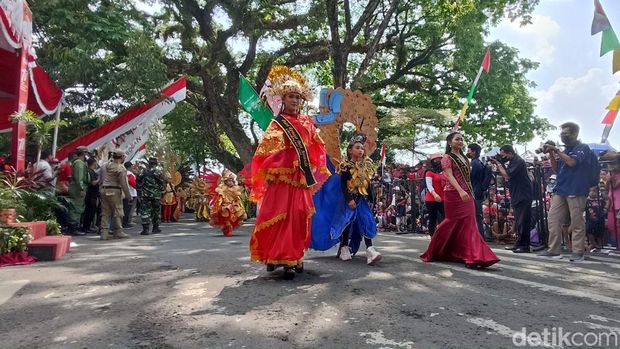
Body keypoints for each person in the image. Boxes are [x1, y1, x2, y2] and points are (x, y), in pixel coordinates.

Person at [249, 76, 329, 279]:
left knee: (299, 216)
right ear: (283, 99)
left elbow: (317, 147)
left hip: (300, 179)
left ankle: (295, 256)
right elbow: (266, 150)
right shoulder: (277, 123)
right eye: (291, 96)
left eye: (297, 97)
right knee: (276, 216)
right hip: (281, 179)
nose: (294, 100)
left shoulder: (306, 122)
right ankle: (276, 256)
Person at [420, 132, 500, 268]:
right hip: (453, 193)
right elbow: (449, 176)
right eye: (457, 139)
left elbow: (467, 178)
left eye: (462, 139)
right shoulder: (447, 157)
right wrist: (460, 190)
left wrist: (467, 191)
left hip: (467, 193)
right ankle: (437, 249)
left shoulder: (464, 158)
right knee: (451, 222)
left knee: (469, 222)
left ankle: (473, 256)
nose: (460, 141)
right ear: (450, 142)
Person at [538, 122, 594, 262]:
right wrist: (551, 153)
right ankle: (553, 250)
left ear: (575, 133)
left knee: (576, 221)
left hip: (576, 188)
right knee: (553, 219)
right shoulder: (566, 150)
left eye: (565, 133)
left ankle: (578, 252)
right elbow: (557, 169)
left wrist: (556, 150)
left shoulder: (582, 148)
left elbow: (572, 163)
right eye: (561, 134)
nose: (563, 136)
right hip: (561, 189)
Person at [329, 134, 382, 264]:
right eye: (357, 147)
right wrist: (349, 199)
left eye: (362, 148)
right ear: (350, 150)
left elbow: (367, 184)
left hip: (362, 199)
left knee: (366, 220)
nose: (361, 150)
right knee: (347, 222)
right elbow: (342, 184)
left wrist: (372, 199)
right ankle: (344, 247)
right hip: (349, 199)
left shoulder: (366, 166)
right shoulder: (345, 166)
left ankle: (370, 249)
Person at [490, 145, 533, 253]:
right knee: (519, 220)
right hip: (517, 193)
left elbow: (507, 175)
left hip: (523, 194)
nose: (502, 157)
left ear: (509, 152)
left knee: (523, 221)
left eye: (503, 154)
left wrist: (499, 163)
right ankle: (518, 243)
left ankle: (524, 246)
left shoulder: (518, 161)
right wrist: (501, 163)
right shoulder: (513, 161)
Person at [99, 150, 131, 240]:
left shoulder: (107, 165)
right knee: (117, 211)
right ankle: (118, 232)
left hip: (104, 189)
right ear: (122, 157)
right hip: (114, 190)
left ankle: (104, 233)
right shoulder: (121, 168)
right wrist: (128, 196)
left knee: (105, 212)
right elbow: (123, 183)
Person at [209, 169, 247, 236]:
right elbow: (219, 195)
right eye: (229, 181)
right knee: (225, 216)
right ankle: (227, 227)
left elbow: (237, 197)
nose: (230, 182)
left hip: (233, 205)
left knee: (233, 217)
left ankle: (230, 227)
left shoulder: (235, 188)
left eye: (231, 181)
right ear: (225, 182)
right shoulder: (222, 188)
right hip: (224, 205)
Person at [137, 158, 165, 235]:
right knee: (156, 211)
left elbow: (138, 182)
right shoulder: (158, 172)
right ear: (156, 164)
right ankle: (155, 228)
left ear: (148, 163)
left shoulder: (142, 172)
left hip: (145, 195)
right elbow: (162, 184)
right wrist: (161, 191)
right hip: (156, 196)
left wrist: (141, 190)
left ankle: (145, 229)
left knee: (145, 211)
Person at [467, 143, 489, 238]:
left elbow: (470, 177)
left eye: (468, 150)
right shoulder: (479, 162)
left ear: (473, 152)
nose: (467, 152)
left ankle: (479, 237)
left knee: (476, 216)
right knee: (477, 216)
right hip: (478, 191)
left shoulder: (474, 163)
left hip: (475, 192)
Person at [67, 146, 90, 235]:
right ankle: (73, 228)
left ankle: (74, 227)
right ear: (84, 153)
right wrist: (82, 188)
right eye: (86, 153)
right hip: (78, 188)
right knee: (76, 208)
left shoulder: (78, 162)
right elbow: (79, 178)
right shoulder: (79, 163)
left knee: (77, 207)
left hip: (76, 187)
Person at [424, 153, 445, 236]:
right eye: (436, 159)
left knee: (445, 217)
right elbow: (429, 185)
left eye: (440, 159)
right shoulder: (429, 172)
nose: (438, 161)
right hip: (431, 199)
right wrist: (435, 195)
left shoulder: (443, 171)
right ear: (432, 161)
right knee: (432, 218)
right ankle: (432, 237)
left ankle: (443, 234)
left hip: (442, 198)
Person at [82, 158, 100, 234]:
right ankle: (86, 227)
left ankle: (88, 226)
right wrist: (99, 179)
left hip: (92, 194)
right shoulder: (90, 172)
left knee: (91, 211)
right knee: (90, 211)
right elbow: (93, 183)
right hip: (91, 194)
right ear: (93, 163)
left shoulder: (90, 171)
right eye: (96, 163)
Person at [122, 161, 138, 228]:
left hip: (125, 192)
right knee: (128, 209)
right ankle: (126, 222)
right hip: (131, 193)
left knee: (125, 208)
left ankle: (125, 222)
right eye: (132, 166)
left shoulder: (124, 173)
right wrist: (137, 187)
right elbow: (132, 183)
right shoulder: (130, 174)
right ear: (130, 166)